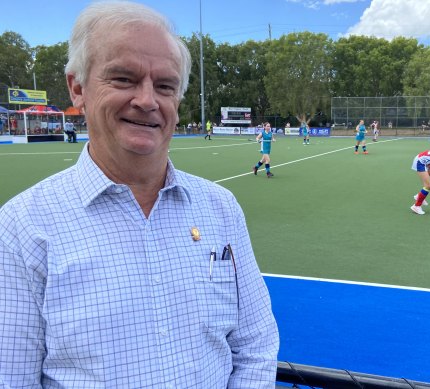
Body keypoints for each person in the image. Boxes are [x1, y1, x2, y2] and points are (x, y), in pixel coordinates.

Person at [0, 2, 279, 388]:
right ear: (77, 88)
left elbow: (256, 346)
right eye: (124, 79)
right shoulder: (22, 227)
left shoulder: (221, 207)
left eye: (164, 85)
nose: (147, 100)